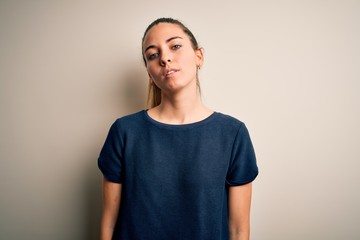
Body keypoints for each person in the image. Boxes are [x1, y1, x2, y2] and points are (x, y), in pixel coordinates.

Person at [98, 17, 258, 240]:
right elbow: (109, 226)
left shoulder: (233, 134)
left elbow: (239, 231)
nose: (165, 58)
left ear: (199, 56)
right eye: (153, 55)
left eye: (175, 46)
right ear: (150, 74)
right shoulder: (124, 132)